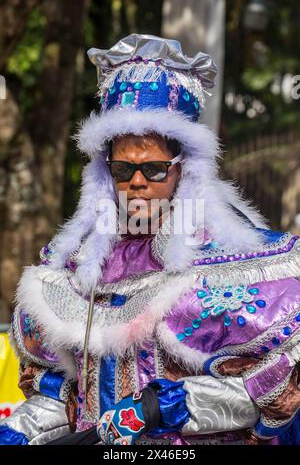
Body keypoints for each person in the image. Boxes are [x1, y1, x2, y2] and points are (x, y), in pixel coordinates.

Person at [1, 33, 300, 446]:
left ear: (183, 168)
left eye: (155, 169)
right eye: (124, 170)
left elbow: (284, 389)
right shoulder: (75, 268)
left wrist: (171, 406)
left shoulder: (237, 262)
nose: (138, 183)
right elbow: (58, 399)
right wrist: (19, 432)